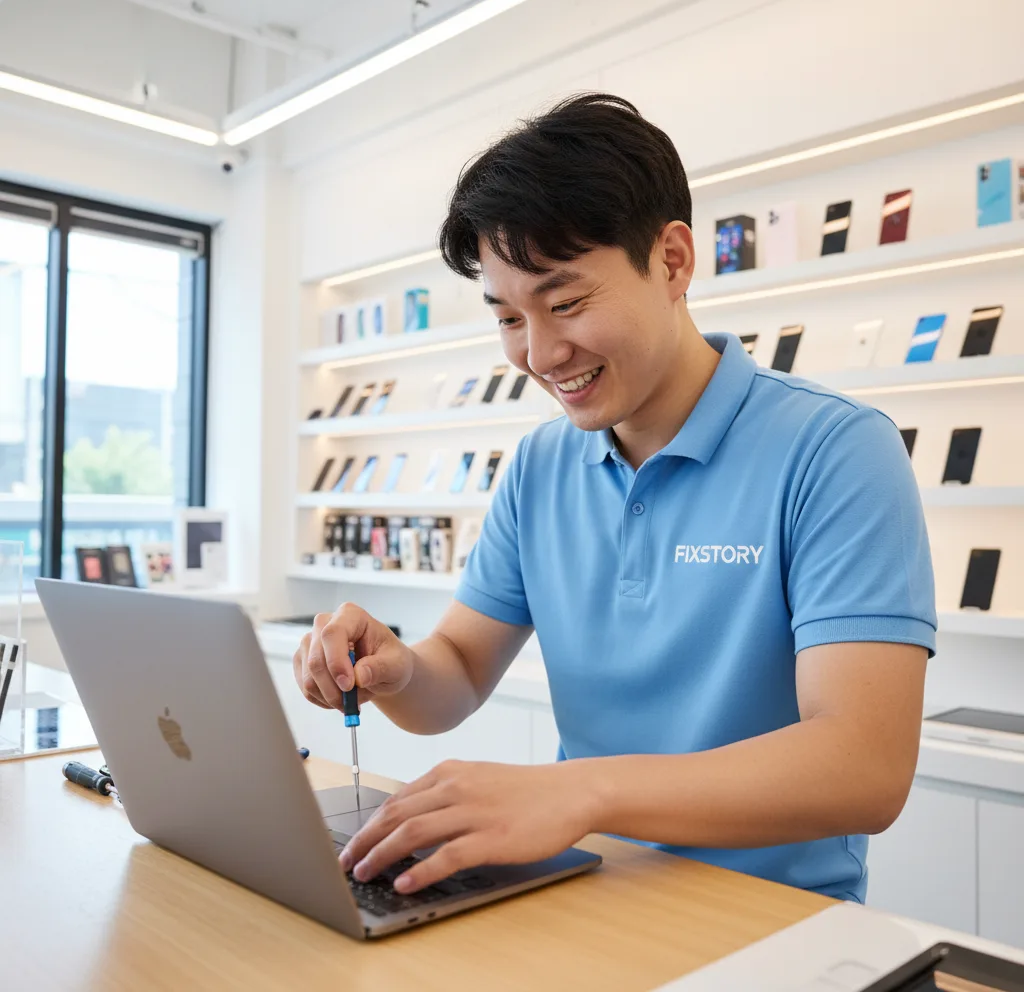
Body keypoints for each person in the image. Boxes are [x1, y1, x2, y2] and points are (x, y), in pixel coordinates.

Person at [293, 93, 936, 904]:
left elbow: (865, 769)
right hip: (579, 900)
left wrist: (579, 792)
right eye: (507, 317)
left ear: (672, 261)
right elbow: (452, 676)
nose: (539, 353)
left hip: (775, 923)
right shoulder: (539, 465)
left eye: (565, 303)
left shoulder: (835, 450)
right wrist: (396, 666)